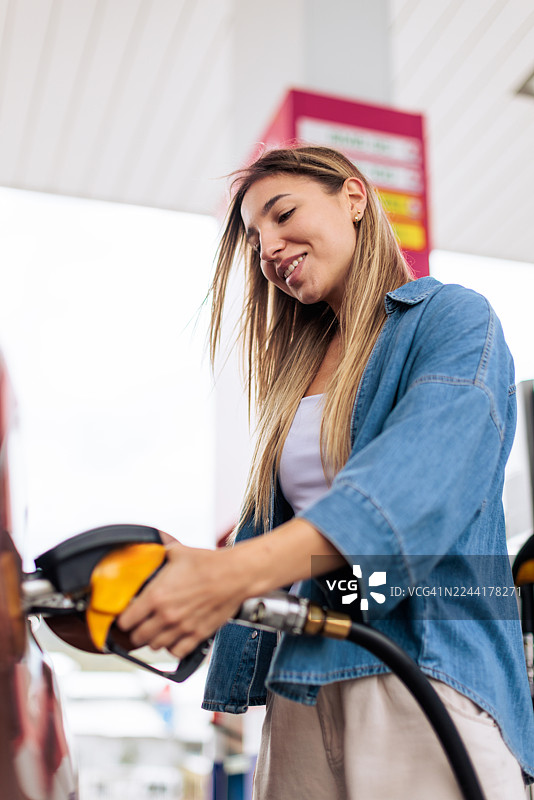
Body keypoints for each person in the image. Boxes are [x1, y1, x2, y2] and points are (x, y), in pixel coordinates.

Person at [118, 146, 534, 799]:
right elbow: (327, 584)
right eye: (255, 239)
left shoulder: (453, 319)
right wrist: (161, 589)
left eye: (283, 214)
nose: (269, 247)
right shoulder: (293, 384)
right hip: (303, 690)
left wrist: (228, 575)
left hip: (426, 678)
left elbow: (417, 482)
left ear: (355, 197)